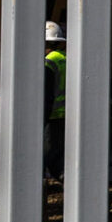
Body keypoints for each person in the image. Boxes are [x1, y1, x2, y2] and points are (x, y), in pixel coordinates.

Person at [43, 21, 66, 181]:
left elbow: (47, 92)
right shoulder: (66, 58)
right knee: (59, 150)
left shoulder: (48, 61)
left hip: (52, 114)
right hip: (65, 114)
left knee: (47, 152)